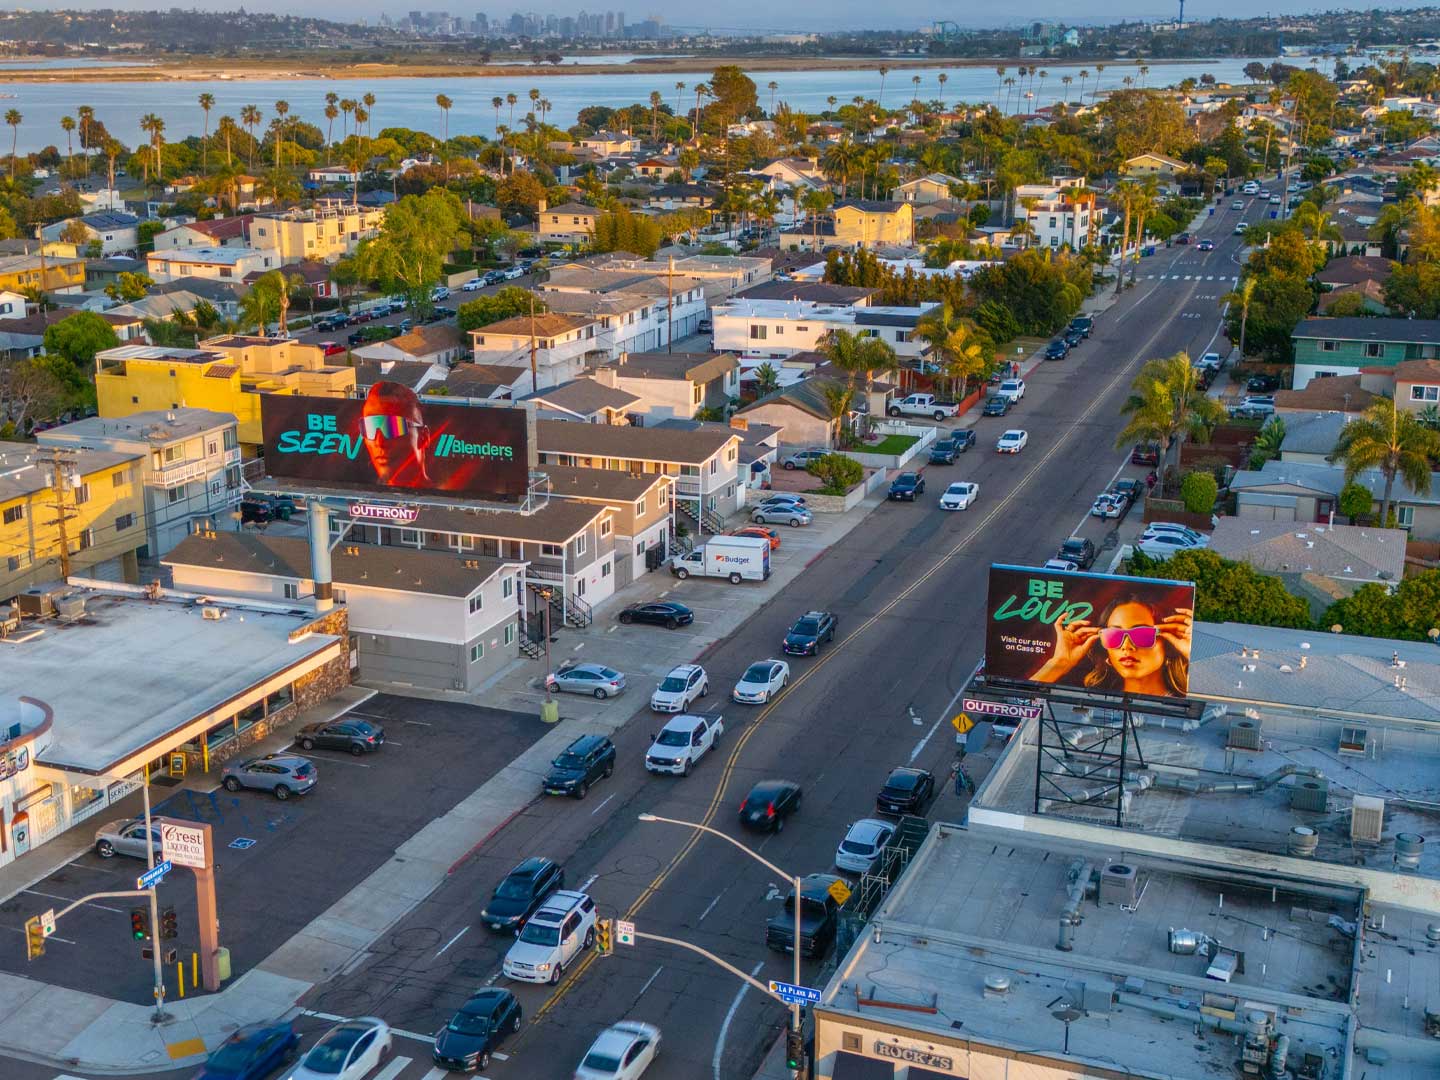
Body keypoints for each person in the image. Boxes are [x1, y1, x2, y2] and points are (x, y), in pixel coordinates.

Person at [1030, 595, 1192, 698]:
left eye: (1142, 635)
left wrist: (1194, 655)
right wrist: (1060, 662)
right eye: (1114, 636)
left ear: (1170, 642)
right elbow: (1018, 702)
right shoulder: (1088, 700)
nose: (1126, 646)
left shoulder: (1188, 702)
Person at [361, 380, 433, 489]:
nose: (380, 442)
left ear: (424, 437)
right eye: (370, 427)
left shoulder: (448, 497)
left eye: (393, 428)